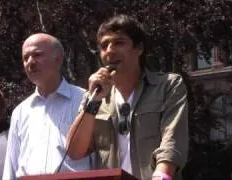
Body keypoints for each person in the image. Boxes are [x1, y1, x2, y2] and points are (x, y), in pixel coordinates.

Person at [66, 14, 188, 180]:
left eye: (119, 43)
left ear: (139, 48)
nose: (110, 50)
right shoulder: (95, 96)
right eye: (104, 46)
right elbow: (74, 151)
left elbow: (172, 142)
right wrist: (93, 102)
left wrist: (162, 175)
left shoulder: (167, 85)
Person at [3, 33, 91, 179]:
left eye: (37, 55)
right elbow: (11, 165)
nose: (30, 62)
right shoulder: (21, 111)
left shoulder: (85, 100)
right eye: (26, 58)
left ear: (58, 60)